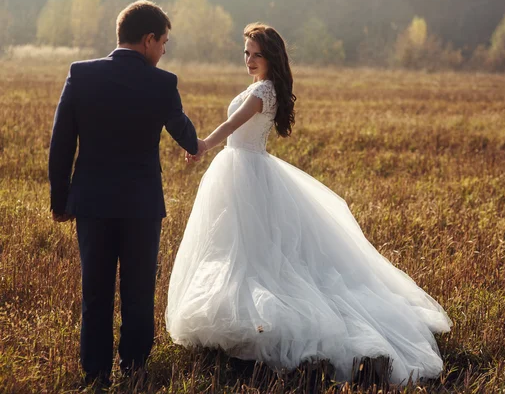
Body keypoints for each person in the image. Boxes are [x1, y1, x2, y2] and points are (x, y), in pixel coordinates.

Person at [166, 23, 452, 385]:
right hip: (242, 169)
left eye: (257, 54)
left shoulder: (264, 91)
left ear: (271, 58)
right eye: (247, 53)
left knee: (253, 252)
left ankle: (256, 320)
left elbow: (231, 123)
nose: (250, 60)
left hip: (245, 171)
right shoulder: (262, 87)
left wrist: (202, 145)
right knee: (237, 248)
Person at [48, 0, 200, 388]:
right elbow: (185, 135)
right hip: (140, 206)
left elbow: (61, 143)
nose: (164, 50)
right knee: (138, 292)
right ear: (149, 40)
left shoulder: (80, 75)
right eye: (164, 41)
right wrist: (198, 142)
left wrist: (60, 201)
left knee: (94, 292)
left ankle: (94, 373)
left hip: (92, 204)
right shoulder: (163, 83)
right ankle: (135, 370)